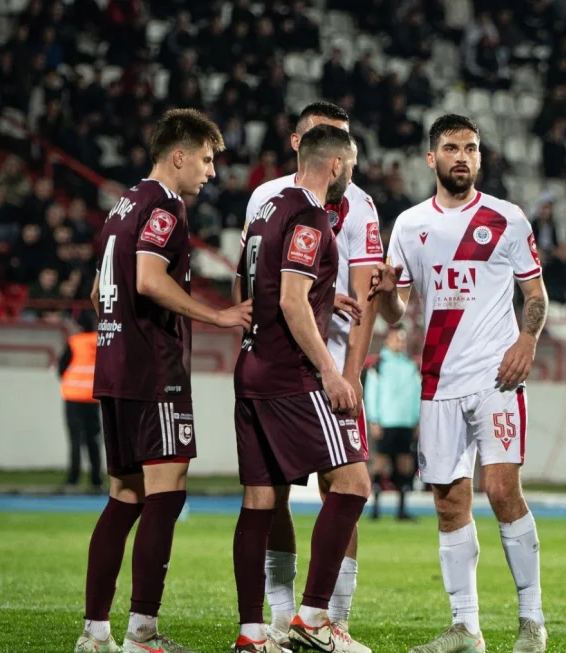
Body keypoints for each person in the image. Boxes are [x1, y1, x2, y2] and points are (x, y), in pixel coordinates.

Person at [367, 114, 550, 653]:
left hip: (497, 375)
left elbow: (535, 295)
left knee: (499, 488)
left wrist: (527, 342)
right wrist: (383, 292)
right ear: (432, 159)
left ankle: (531, 620)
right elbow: (395, 315)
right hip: (438, 381)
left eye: (471, 147)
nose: (463, 156)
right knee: (449, 503)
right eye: (451, 148)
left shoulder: (507, 218)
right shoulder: (409, 225)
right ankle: (466, 628)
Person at [76, 108, 251, 653]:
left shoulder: (122, 205)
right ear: (179, 155)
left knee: (124, 495)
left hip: (115, 365)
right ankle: (143, 633)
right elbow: (150, 280)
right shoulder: (164, 206)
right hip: (154, 371)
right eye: (205, 159)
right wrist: (218, 315)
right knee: (166, 495)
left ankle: (95, 632)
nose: (210, 172)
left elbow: (97, 291)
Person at [236, 102, 390, 653]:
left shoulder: (280, 201)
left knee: (266, 496)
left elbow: (255, 283)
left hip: (270, 365)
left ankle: (263, 629)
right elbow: (291, 295)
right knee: (347, 484)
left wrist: (350, 369)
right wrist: (330, 368)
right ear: (318, 151)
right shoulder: (305, 210)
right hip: (303, 372)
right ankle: (306, 617)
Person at [364, 325, 422, 521]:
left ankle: (402, 510)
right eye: (397, 338)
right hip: (386, 422)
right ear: (388, 341)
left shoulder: (411, 366)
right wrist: (374, 420)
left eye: (403, 339)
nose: (401, 342)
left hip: (406, 422)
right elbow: (371, 394)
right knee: (380, 464)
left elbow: (418, 393)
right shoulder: (378, 366)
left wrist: (417, 419)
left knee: (405, 466)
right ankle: (375, 509)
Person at [59, 310, 104, 491]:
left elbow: (61, 368)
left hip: (73, 397)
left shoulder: (74, 342)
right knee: (94, 439)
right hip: (93, 398)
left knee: (75, 439)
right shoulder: (102, 343)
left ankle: (73, 478)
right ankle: (96, 479)